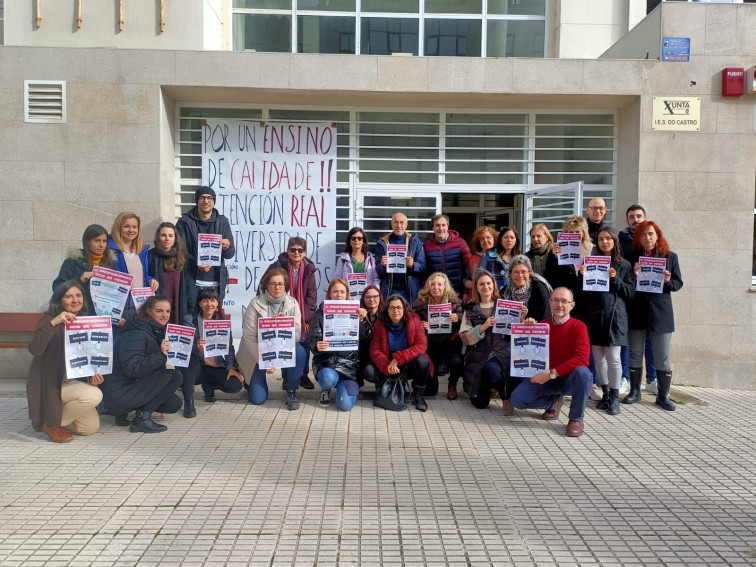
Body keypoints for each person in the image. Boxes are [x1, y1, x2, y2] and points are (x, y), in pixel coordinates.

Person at [27, 281, 104, 443]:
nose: (75, 300)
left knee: (89, 427)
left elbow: (85, 359)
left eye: (78, 295)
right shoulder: (48, 320)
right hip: (51, 384)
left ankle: (52, 419)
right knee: (94, 395)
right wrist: (54, 322)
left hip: (71, 383)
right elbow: (35, 349)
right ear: (59, 300)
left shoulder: (85, 322)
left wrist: (92, 378)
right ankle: (51, 424)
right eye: (68, 296)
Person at [510, 287, 593, 437]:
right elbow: (527, 353)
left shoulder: (579, 327)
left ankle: (576, 418)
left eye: (564, 301)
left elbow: (582, 358)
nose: (559, 305)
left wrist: (552, 373)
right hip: (546, 378)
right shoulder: (543, 325)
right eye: (555, 300)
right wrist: (526, 328)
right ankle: (552, 402)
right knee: (517, 400)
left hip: (566, 378)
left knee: (584, 374)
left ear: (572, 305)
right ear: (550, 302)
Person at [100, 296, 183, 433]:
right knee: (174, 375)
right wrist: (161, 355)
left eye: (168, 311)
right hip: (116, 395)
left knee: (173, 404)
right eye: (159, 311)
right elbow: (133, 369)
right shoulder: (136, 333)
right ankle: (142, 419)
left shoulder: (154, 330)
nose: (165, 315)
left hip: (126, 388)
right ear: (149, 311)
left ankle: (123, 414)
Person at [624, 221, 683, 411]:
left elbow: (677, 284)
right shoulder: (631, 257)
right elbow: (627, 286)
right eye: (643, 235)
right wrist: (633, 274)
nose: (647, 238)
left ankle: (663, 395)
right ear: (638, 238)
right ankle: (635, 391)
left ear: (657, 235)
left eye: (651, 234)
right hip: (637, 311)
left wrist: (667, 280)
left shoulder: (670, 257)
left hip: (661, 312)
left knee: (662, 355)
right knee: (635, 352)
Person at [578, 227, 634, 415]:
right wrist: (582, 276)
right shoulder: (590, 261)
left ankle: (615, 398)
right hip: (594, 316)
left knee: (613, 359)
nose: (604, 242)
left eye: (608, 238)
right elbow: (583, 293)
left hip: (615, 318)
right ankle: (606, 394)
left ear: (614, 240)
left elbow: (630, 292)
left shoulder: (624, 265)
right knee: (598, 358)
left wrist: (615, 279)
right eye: (601, 239)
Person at [237, 268, 307, 410]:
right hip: (256, 352)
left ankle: (291, 391)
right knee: (258, 399)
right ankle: (250, 382)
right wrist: (265, 362)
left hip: (282, 348)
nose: (277, 287)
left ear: (286, 286)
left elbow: (298, 333)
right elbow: (249, 338)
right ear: (266, 285)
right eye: (272, 283)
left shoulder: (293, 303)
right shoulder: (255, 304)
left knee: (300, 351)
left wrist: (283, 328)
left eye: (280, 284)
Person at [260, 236, 318, 390]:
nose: (296, 253)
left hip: (302, 314)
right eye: (293, 249)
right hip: (280, 312)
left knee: (304, 343)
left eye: (300, 250)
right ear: (288, 251)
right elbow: (263, 285)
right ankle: (286, 377)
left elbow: (311, 297)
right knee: (283, 343)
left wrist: (305, 319)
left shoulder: (309, 270)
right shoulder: (277, 266)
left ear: (305, 253)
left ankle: (304, 375)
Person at [459, 270, 514, 410]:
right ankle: (489, 387)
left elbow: (515, 332)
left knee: (493, 371)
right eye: (481, 284)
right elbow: (465, 337)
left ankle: (505, 396)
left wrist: (522, 318)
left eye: (489, 283)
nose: (486, 287)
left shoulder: (505, 305)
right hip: (479, 355)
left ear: (494, 285)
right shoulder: (470, 308)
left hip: (501, 353)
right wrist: (481, 328)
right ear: (476, 287)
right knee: (480, 404)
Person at [618, 204, 656, 394]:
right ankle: (625, 378)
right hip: (629, 298)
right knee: (626, 342)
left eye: (639, 216)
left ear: (645, 217)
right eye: (632, 216)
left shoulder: (654, 240)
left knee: (650, 341)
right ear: (627, 220)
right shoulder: (621, 240)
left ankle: (653, 379)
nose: (636, 219)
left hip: (650, 299)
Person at [369, 294, 431, 412]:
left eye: (399, 307)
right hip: (388, 362)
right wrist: (387, 365)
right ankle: (384, 390)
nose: (395, 311)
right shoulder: (380, 324)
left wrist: (399, 358)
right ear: (387, 309)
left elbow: (421, 345)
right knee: (369, 371)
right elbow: (374, 350)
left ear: (404, 308)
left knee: (423, 361)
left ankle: (418, 396)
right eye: (391, 308)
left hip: (408, 363)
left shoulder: (415, 321)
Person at [176, 186, 235, 302]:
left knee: (213, 319)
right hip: (191, 280)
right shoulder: (184, 221)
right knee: (190, 319)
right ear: (197, 201)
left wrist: (227, 248)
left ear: (214, 202)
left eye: (209, 198)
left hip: (216, 283)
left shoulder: (222, 221)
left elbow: (231, 253)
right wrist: (196, 262)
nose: (206, 201)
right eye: (202, 198)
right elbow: (179, 250)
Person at [309, 278, 361, 411]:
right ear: (329, 295)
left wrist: (363, 322)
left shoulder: (356, 312)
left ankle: (342, 386)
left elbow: (365, 340)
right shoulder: (320, 313)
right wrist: (317, 346)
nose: (339, 295)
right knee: (328, 378)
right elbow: (313, 339)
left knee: (345, 406)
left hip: (348, 367)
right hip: (327, 363)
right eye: (335, 291)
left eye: (342, 292)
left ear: (347, 295)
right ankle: (325, 390)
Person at [412, 272, 463, 400]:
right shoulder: (419, 303)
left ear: (446, 286)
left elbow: (464, 323)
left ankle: (452, 384)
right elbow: (412, 322)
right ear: (428, 286)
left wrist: (458, 319)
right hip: (429, 343)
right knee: (431, 391)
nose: (436, 287)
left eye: (439, 284)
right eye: (432, 284)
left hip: (449, 342)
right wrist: (421, 326)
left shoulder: (454, 302)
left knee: (457, 360)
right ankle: (423, 383)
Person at [190, 288, 243, 404]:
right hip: (199, 366)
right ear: (199, 303)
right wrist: (196, 348)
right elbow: (184, 349)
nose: (209, 304)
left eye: (212, 300)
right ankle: (202, 387)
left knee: (235, 385)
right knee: (184, 378)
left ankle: (209, 386)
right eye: (204, 300)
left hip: (217, 365)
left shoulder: (223, 322)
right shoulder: (191, 322)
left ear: (218, 303)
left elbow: (229, 347)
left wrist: (231, 367)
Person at [53, 224, 115, 316]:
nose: (101, 245)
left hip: (104, 316)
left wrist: (118, 316)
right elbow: (57, 288)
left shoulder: (112, 264)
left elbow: (118, 294)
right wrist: (78, 280)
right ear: (87, 242)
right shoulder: (72, 262)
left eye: (104, 241)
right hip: (78, 316)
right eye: (97, 241)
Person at [109, 212, 159, 322]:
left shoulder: (141, 250)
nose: (131, 230)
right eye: (126, 226)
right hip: (121, 307)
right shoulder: (110, 250)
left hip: (141, 305)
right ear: (119, 228)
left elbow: (140, 275)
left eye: (134, 227)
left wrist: (151, 280)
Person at [148, 222, 196, 326]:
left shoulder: (183, 256)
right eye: (163, 235)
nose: (167, 239)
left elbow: (190, 284)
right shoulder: (150, 255)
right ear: (158, 237)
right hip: (159, 302)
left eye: (170, 235)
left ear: (175, 238)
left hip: (179, 302)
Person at [375, 212, 426, 304]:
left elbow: (422, 266)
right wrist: (382, 265)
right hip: (389, 290)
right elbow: (377, 270)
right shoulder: (382, 243)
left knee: (409, 316)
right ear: (392, 224)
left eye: (402, 222)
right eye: (396, 222)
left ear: (406, 225)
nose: (399, 225)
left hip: (409, 290)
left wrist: (413, 265)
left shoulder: (415, 242)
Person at [422, 214, 471, 298]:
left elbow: (469, 268)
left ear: (448, 226)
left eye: (443, 225)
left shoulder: (460, 243)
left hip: (457, 292)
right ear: (433, 228)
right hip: (435, 293)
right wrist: (425, 289)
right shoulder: (426, 246)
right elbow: (424, 272)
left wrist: (466, 291)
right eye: (437, 225)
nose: (441, 228)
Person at [544, 215, 592, 296]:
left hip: (585, 295)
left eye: (577, 232)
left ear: (583, 233)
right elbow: (549, 276)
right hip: (565, 295)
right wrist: (554, 257)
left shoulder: (591, 249)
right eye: (571, 232)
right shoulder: (556, 249)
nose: (574, 235)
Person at [334, 227, 380, 293]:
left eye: (359, 238)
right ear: (349, 241)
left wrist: (374, 293)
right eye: (353, 238)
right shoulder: (342, 259)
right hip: (349, 297)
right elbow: (337, 279)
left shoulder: (370, 259)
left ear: (363, 241)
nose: (356, 240)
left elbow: (376, 279)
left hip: (367, 297)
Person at [358, 285, 383, 386]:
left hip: (379, 354)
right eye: (367, 297)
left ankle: (380, 381)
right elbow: (360, 337)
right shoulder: (358, 314)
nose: (371, 299)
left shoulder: (385, 315)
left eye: (375, 296)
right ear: (363, 299)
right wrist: (361, 321)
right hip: (361, 354)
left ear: (380, 298)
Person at [465, 226, 498, 299]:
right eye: (482, 239)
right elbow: (465, 280)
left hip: (496, 297)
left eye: (488, 237)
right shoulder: (473, 259)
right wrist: (477, 285)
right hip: (476, 298)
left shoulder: (500, 258)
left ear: (494, 239)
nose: (485, 241)